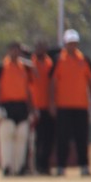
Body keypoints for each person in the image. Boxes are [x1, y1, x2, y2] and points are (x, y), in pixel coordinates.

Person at [49, 29, 91, 177]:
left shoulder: (84, 60)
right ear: (65, 44)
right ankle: (61, 166)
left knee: (82, 138)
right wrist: (52, 103)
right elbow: (52, 83)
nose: (72, 46)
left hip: (81, 105)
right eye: (69, 43)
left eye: (74, 43)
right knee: (62, 138)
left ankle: (84, 166)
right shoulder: (58, 60)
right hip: (63, 106)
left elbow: (90, 82)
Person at [0, 42, 35, 176]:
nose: (15, 53)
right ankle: (7, 166)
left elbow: (29, 88)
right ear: (9, 51)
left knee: (22, 136)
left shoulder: (25, 68)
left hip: (21, 105)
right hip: (7, 105)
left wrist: (31, 108)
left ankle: (19, 167)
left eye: (18, 51)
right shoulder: (2, 66)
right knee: (6, 135)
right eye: (13, 50)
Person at [30, 40, 55, 175]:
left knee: (48, 138)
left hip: (48, 106)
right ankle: (36, 166)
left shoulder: (50, 64)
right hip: (35, 106)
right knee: (36, 139)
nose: (40, 50)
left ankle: (45, 166)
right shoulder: (29, 64)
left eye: (42, 47)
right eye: (38, 47)